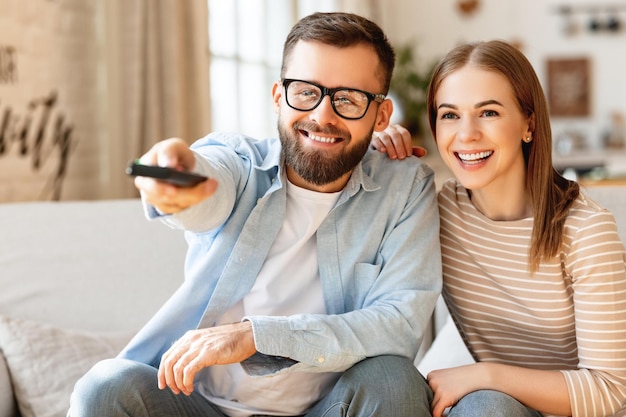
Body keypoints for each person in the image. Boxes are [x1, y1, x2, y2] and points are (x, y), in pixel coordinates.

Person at [68, 12, 442, 417]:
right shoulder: (242, 163)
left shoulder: (404, 187)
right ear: (279, 96)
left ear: (381, 115)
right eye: (305, 92)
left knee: (394, 377)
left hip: (329, 408)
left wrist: (257, 336)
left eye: (348, 99)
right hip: (197, 405)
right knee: (106, 386)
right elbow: (209, 184)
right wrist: (181, 182)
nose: (323, 115)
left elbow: (399, 324)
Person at [372, 40, 626, 417]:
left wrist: (484, 374)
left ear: (529, 123)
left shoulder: (585, 230)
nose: (466, 134)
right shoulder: (436, 213)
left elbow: (609, 390)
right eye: (449, 115)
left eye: (488, 112)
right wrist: (372, 158)